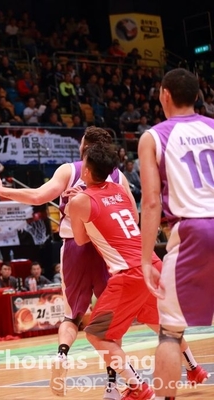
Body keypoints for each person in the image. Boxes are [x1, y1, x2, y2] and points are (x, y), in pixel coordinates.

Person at [0, 126, 137, 397]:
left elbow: (38, 196)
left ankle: (62, 355)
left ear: (85, 146)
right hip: (104, 248)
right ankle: (112, 385)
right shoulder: (116, 175)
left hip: (74, 246)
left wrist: (2, 190)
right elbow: (132, 212)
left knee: (71, 316)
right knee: (108, 320)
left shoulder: (69, 170)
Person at [70, 142, 208, 400]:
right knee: (162, 326)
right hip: (152, 265)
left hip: (128, 274)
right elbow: (131, 219)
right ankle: (194, 368)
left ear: (86, 171)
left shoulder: (78, 201)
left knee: (96, 335)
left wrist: (75, 203)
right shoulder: (120, 189)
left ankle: (137, 387)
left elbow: (80, 239)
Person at [139, 68, 214, 400]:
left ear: (164, 95)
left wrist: (145, 260)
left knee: (170, 332)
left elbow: (151, 202)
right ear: (197, 96)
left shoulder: (153, 137)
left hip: (194, 230)